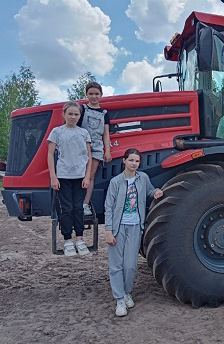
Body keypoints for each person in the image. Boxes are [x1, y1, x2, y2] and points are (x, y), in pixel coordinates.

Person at [104, 148, 163, 317]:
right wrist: (109, 231)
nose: (134, 164)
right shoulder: (116, 182)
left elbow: (150, 191)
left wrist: (157, 192)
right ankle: (120, 300)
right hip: (118, 227)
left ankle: (127, 292)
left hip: (136, 226)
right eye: (131, 160)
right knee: (116, 265)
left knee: (130, 265)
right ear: (124, 161)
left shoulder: (142, 178)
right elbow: (108, 207)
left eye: (137, 161)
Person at [47, 102, 92, 256]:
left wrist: (87, 176)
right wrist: (53, 177)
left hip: (80, 177)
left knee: (78, 208)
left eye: (76, 114)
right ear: (64, 114)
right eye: (70, 114)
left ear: (80, 116)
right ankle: (67, 241)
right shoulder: (57, 132)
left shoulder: (84, 132)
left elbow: (89, 157)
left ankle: (79, 239)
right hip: (63, 176)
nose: (73, 117)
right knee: (66, 209)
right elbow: (50, 155)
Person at [78, 82, 112, 216]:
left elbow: (106, 133)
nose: (94, 96)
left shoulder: (104, 113)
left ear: (101, 95)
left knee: (90, 176)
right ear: (86, 95)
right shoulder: (82, 109)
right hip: (81, 146)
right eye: (91, 94)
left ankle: (85, 204)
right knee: (79, 174)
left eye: (96, 94)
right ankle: (76, 203)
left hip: (97, 147)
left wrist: (107, 151)